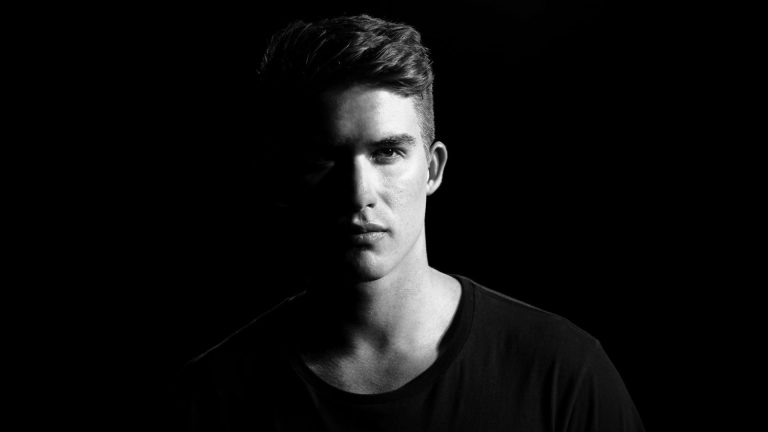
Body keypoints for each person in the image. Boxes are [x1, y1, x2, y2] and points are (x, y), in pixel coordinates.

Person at [172, 14, 645, 431]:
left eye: (387, 152)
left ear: (433, 169)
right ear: (285, 178)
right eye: (324, 158)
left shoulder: (563, 374)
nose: (359, 193)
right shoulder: (209, 400)